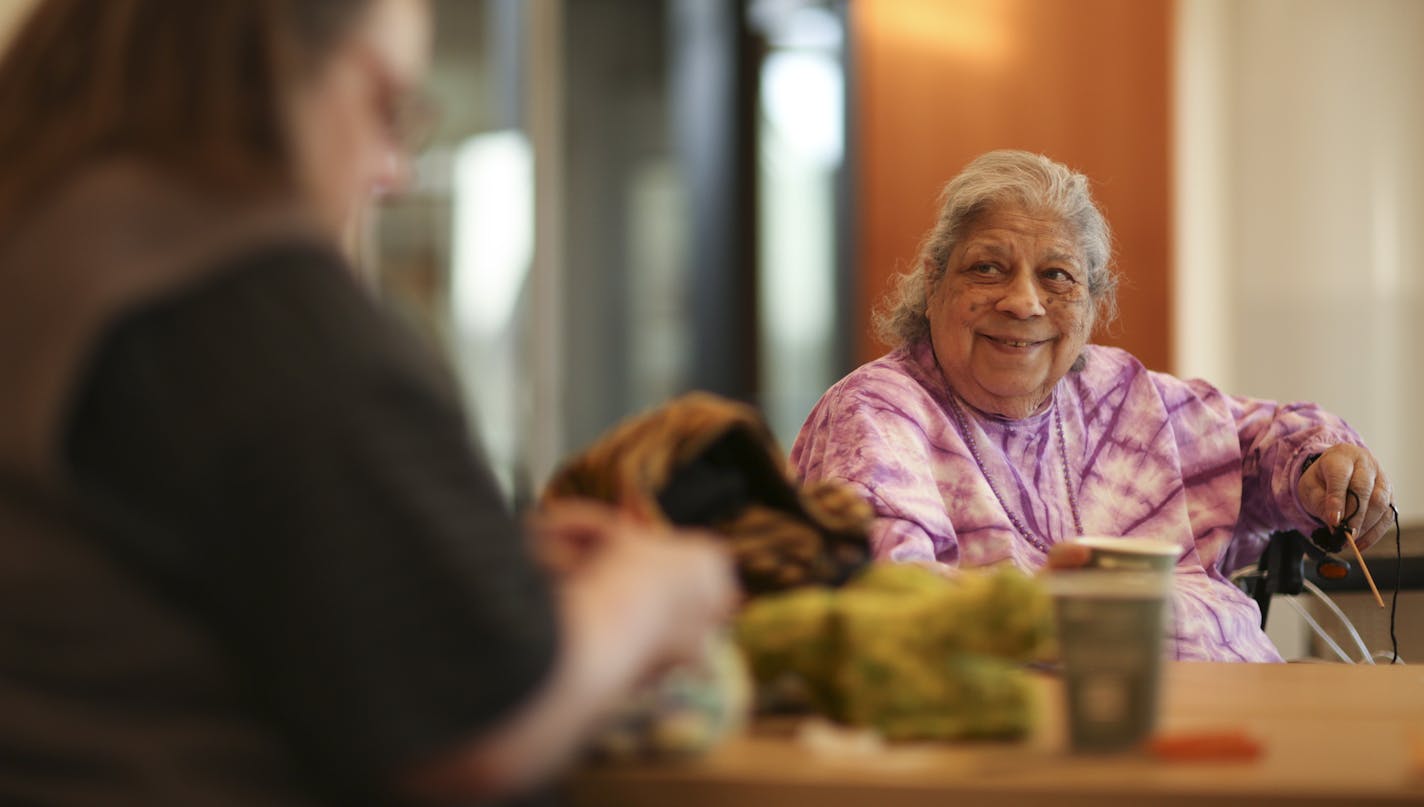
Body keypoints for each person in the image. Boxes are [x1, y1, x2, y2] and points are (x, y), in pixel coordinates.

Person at [0, 1, 735, 805]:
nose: (395, 171)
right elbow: (478, 726)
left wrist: (459, 563)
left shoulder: (58, 251)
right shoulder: (244, 299)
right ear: (273, 60)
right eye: (389, 107)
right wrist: (653, 589)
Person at [791, 150, 1393, 663]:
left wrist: (1325, 466)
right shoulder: (879, 413)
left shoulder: (1118, 397)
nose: (1023, 301)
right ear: (934, 282)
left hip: (1215, 718)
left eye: (1056, 276)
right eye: (987, 269)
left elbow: (1270, 441)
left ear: (1094, 302)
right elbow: (886, 600)